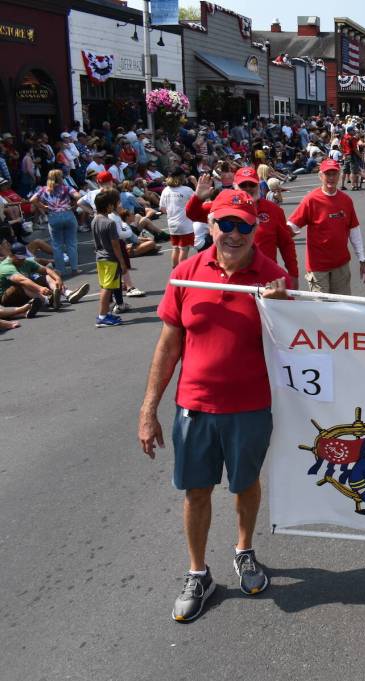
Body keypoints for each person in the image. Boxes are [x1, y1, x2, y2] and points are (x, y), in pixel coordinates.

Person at [138, 189, 289, 623]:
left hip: (250, 407)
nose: (234, 234)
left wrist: (281, 309)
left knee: (245, 484)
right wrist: (149, 409)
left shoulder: (274, 278)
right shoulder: (186, 274)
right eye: (226, 224)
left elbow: (296, 347)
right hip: (196, 406)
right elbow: (168, 347)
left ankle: (244, 550)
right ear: (211, 225)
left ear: (255, 229)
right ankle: (198, 573)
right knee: (197, 490)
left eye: (244, 226)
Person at [188, 168, 299, 286]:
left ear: (259, 185)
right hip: (227, 275)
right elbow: (193, 214)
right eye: (243, 185)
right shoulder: (222, 206)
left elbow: (286, 244)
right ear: (235, 186)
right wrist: (197, 198)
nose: (248, 188)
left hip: (263, 277)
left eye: (252, 184)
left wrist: (293, 274)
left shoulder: (274, 210)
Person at [287, 159, 365, 295]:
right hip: (318, 268)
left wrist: (362, 259)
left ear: (339, 175)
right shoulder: (311, 200)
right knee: (322, 306)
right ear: (321, 176)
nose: (331, 178)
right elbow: (291, 226)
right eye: (327, 174)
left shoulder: (346, 200)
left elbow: (354, 231)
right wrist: (282, 233)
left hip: (341, 266)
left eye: (334, 174)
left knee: (342, 304)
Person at [91, 189, 131, 327]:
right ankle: (102, 316)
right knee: (107, 288)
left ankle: (106, 314)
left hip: (100, 258)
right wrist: (122, 262)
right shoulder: (109, 223)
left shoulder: (94, 220)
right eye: (112, 205)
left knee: (105, 286)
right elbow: (115, 245)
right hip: (110, 259)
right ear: (108, 206)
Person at [30, 169, 81, 277]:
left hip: (53, 216)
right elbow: (78, 196)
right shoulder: (66, 188)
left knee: (57, 245)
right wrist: (75, 206)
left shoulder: (43, 190)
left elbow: (32, 200)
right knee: (71, 243)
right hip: (68, 214)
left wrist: (43, 207)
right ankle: (74, 269)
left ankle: (60, 271)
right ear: (60, 178)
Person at [160, 171, 195, 267]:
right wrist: (195, 183)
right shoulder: (187, 190)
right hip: (185, 224)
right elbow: (199, 199)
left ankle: (175, 270)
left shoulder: (165, 190)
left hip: (172, 223)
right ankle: (181, 272)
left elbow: (162, 208)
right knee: (184, 249)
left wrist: (172, 212)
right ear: (181, 177)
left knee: (175, 248)